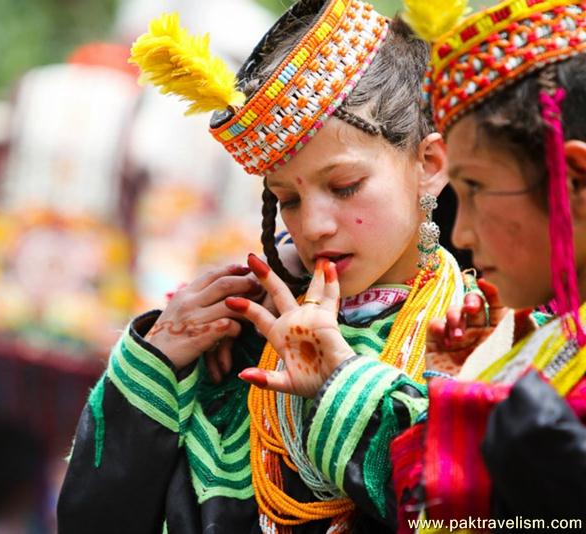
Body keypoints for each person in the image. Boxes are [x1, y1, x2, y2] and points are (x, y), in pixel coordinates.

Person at [58, 0, 482, 532]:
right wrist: (158, 360)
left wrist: (340, 385)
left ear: (429, 165)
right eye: (288, 199)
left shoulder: (486, 332)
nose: (315, 227)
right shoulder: (237, 345)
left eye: (344, 186)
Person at [368, 0, 586, 530]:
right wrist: (454, 382)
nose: (461, 233)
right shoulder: (555, 340)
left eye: (476, 189)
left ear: (573, 180)